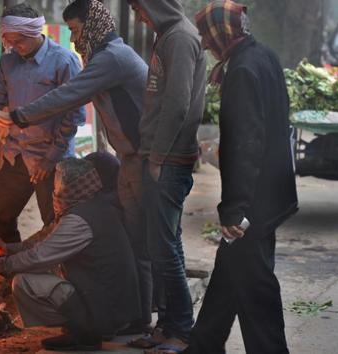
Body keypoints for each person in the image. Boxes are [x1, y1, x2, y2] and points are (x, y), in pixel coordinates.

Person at [0, 0, 156, 335]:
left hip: (142, 159)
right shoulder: (103, 57)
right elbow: (49, 238)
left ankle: (145, 321)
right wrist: (11, 251)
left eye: (76, 30)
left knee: (146, 246)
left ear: (93, 27)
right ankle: (140, 317)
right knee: (136, 242)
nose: (73, 39)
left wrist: (17, 116)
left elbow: (69, 98)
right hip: (129, 158)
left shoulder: (110, 58)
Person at [185, 2, 298, 353]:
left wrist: (234, 209)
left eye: (204, 33)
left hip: (254, 202)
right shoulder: (263, 56)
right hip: (272, 192)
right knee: (229, 275)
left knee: (255, 286)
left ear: (222, 31)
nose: (203, 42)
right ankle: (204, 344)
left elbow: (246, 145)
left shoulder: (243, 70)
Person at [0, 158, 140, 351]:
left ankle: (86, 333)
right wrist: (7, 249)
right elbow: (45, 236)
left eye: (57, 185)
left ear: (70, 186)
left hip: (106, 310)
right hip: (107, 300)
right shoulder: (91, 205)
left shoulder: (79, 220)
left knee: (25, 281)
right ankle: (79, 329)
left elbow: (40, 255)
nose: (54, 191)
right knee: (37, 272)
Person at [0, 3, 85, 244]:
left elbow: (74, 115)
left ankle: (52, 279)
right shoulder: (8, 62)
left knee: (55, 225)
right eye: (10, 41)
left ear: (35, 33)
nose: (14, 47)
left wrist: (50, 158)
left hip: (52, 160)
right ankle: (5, 270)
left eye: (19, 41)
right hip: (17, 156)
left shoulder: (64, 61)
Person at [126, 0, 207, 352]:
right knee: (162, 245)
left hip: (169, 159)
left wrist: (158, 156)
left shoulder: (181, 38)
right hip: (160, 155)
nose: (137, 16)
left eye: (138, 7)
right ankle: (166, 326)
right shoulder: (167, 35)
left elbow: (178, 103)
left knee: (164, 248)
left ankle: (182, 331)